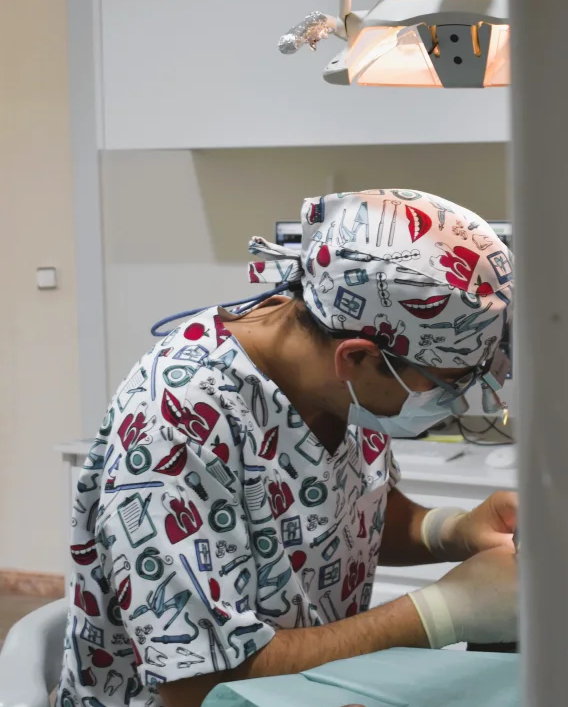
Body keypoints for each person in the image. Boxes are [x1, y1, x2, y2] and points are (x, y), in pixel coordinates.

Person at [60, 190, 520, 707]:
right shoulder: (177, 421)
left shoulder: (341, 381)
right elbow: (201, 684)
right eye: (445, 383)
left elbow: (345, 523)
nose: (452, 403)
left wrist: (453, 531)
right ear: (359, 357)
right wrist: (444, 612)